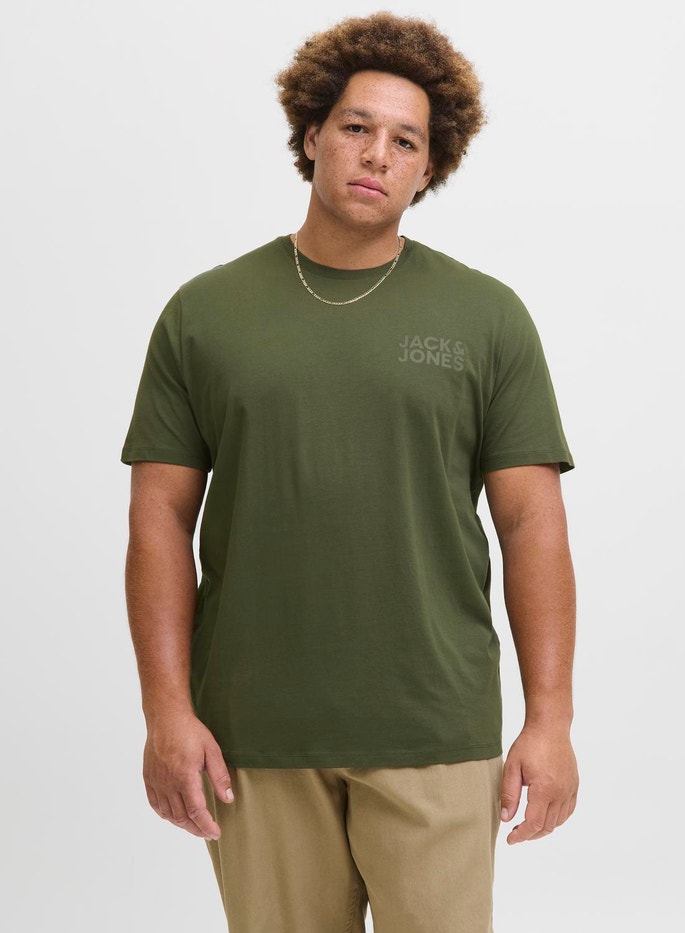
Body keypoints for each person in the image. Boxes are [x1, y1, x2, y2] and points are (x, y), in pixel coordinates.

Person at [121, 11, 578, 933]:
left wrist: (551, 719)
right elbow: (158, 518)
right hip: (254, 735)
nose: (377, 154)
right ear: (312, 135)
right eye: (356, 126)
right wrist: (166, 711)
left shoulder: (487, 317)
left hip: (435, 727)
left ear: (430, 166)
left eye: (405, 140)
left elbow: (532, 523)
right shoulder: (205, 314)